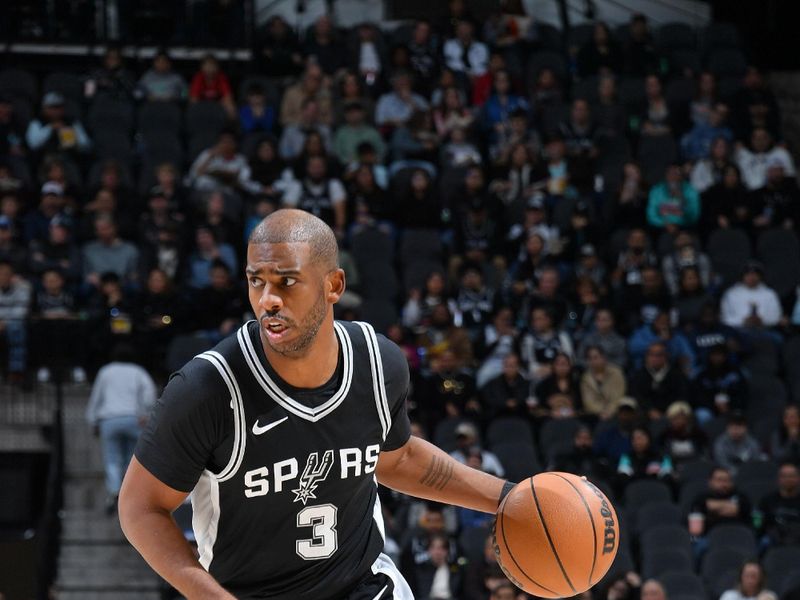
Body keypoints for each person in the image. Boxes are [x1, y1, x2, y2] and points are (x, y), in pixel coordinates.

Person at [119, 209, 513, 599]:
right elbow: (140, 508)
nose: (268, 300)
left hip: (364, 586)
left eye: (287, 281)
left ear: (334, 285)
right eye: (257, 282)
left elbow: (398, 459)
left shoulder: (379, 364)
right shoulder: (207, 389)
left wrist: (510, 498)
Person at [87, 344, 157, 514]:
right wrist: (145, 413)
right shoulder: (138, 371)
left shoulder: (106, 371)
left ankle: (114, 491)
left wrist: (93, 420)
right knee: (133, 459)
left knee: (112, 458)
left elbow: (97, 396)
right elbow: (149, 393)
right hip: (133, 419)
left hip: (109, 419)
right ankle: (130, 492)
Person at [720, 260, 782, 329]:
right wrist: (744, 321)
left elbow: (776, 317)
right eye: (748, 274)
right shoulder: (731, 294)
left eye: (755, 274)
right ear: (742, 276)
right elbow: (725, 319)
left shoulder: (770, 294)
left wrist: (762, 321)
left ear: (760, 276)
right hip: (737, 330)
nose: (752, 277)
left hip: (764, 330)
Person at [0, 260, 31, 385]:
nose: (2, 277)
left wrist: (4, 322)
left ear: (12, 276)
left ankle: (16, 371)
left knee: (16, 329)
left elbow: (22, 310)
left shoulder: (23, 287)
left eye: (6, 274)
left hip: (14, 322)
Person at [758, 462, 800, 548]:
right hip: (774, 541)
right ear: (779, 479)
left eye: (791, 476)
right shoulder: (767, 500)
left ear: (798, 478)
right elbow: (759, 525)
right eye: (784, 476)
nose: (788, 479)